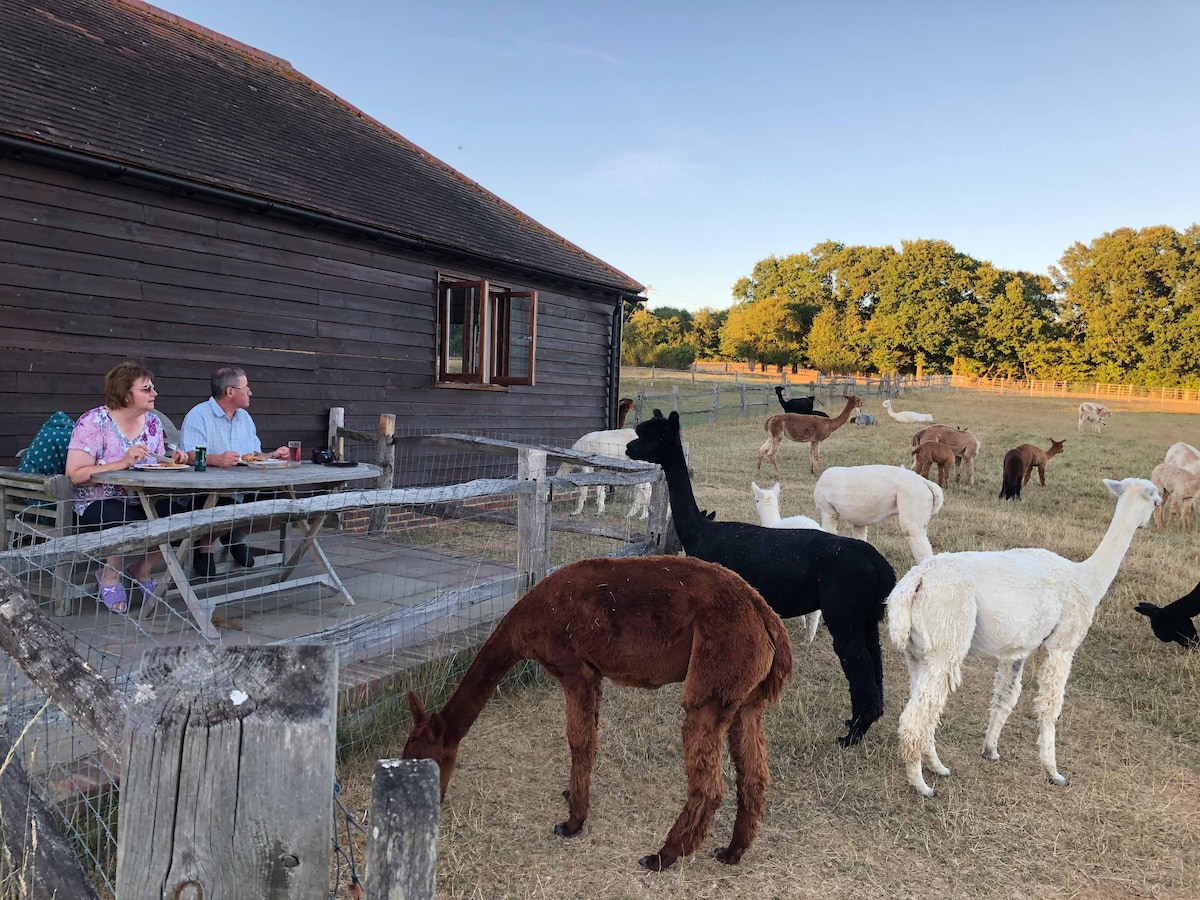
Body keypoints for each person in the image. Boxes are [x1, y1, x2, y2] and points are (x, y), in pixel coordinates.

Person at [65, 361, 190, 614]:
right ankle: (110, 575)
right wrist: (122, 463)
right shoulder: (93, 422)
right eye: (147, 389)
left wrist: (171, 460)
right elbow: (75, 474)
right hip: (96, 501)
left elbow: (153, 463)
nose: (154, 393)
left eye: (152, 388)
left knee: (184, 520)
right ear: (125, 394)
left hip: (142, 498)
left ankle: (141, 570)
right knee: (125, 523)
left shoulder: (152, 423)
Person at [181, 366, 289, 577]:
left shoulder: (244, 418)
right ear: (230, 392)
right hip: (207, 491)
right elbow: (189, 455)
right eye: (246, 388)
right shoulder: (198, 415)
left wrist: (273, 455)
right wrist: (217, 459)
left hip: (245, 486)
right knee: (226, 505)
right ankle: (208, 544)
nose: (250, 393)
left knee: (277, 498)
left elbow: (254, 455)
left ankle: (231, 534)